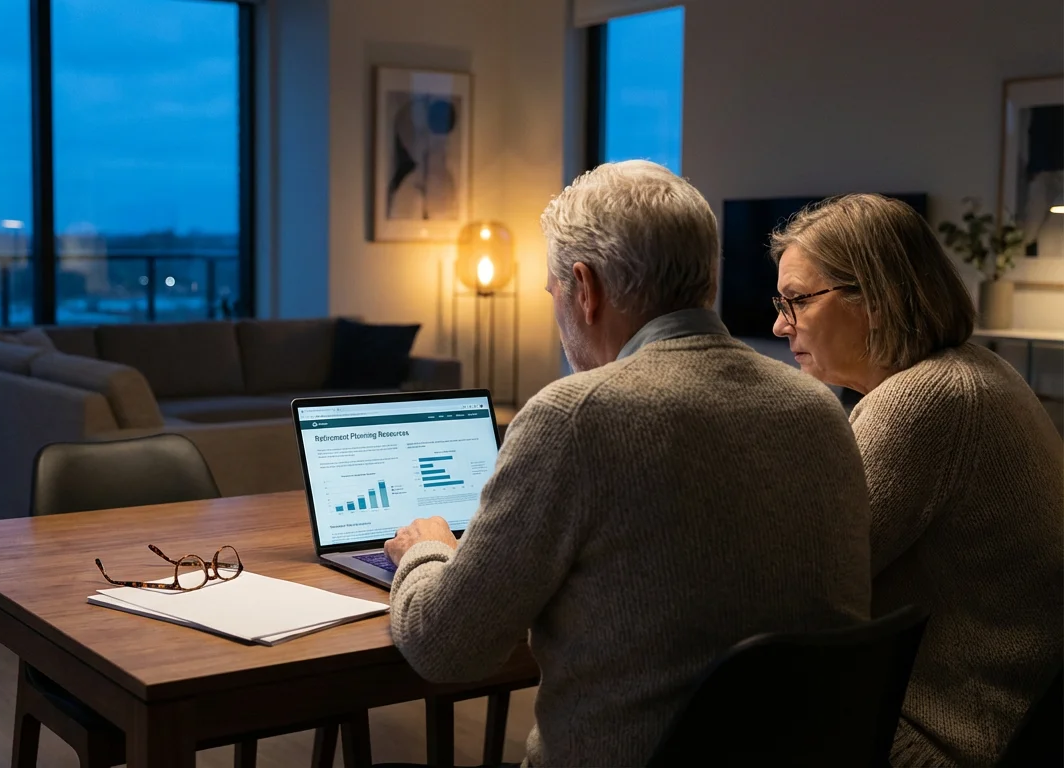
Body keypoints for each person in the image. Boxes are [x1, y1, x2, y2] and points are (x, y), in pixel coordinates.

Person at [382, 161, 873, 767]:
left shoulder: (575, 416)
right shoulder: (818, 408)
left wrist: (427, 550)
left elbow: (446, 647)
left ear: (584, 290)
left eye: (554, 293)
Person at [770, 193, 1063, 767]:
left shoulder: (924, 400)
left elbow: (798, 582)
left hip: (947, 741)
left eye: (797, 301)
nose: (779, 324)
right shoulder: (975, 372)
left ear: (877, 299)